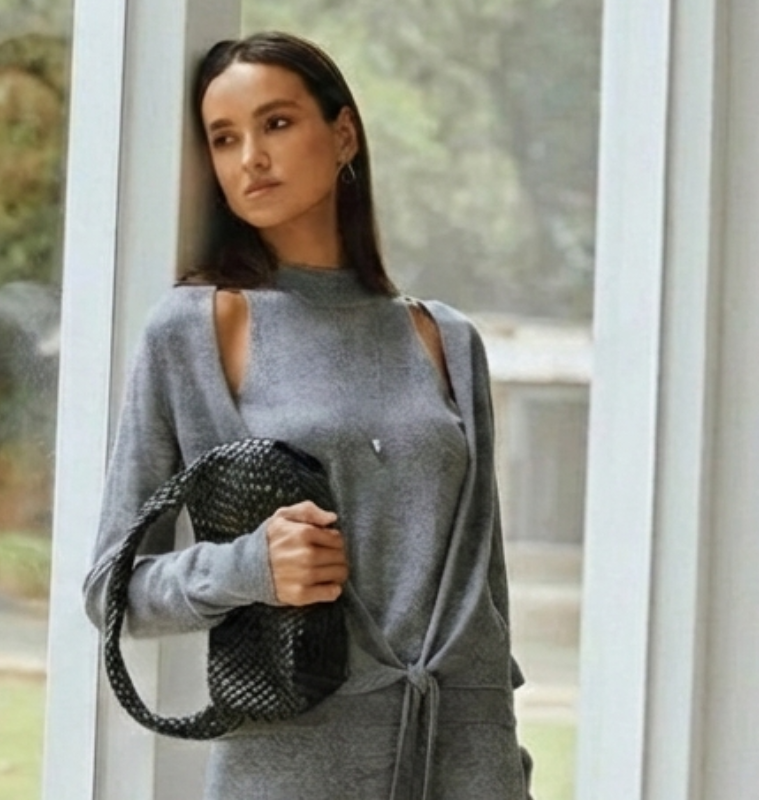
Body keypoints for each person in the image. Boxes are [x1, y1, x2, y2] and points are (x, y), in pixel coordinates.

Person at [81, 30, 532, 800]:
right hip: (288, 771)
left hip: (463, 765)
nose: (251, 157)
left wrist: (506, 774)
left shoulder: (447, 341)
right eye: (225, 139)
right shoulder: (197, 329)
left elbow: (484, 603)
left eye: (277, 123)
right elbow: (112, 590)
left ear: (344, 135)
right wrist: (248, 568)